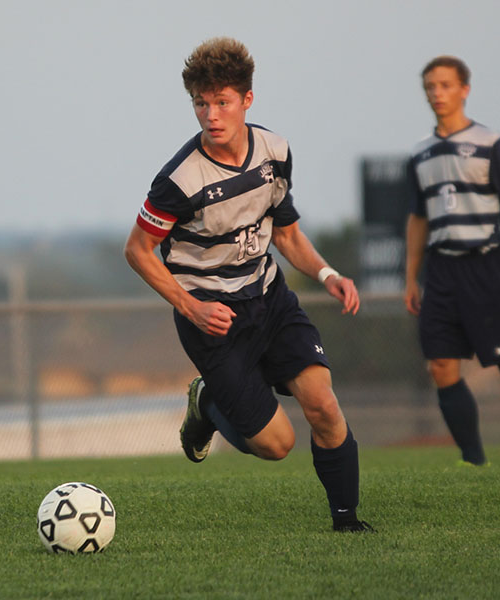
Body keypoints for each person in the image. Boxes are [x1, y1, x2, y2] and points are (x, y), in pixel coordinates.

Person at [124, 37, 373, 531]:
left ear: (247, 100)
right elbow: (136, 250)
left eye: (222, 101)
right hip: (213, 322)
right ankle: (208, 403)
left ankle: (346, 522)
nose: (211, 115)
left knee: (323, 403)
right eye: (201, 102)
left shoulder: (274, 152)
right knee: (277, 445)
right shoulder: (178, 181)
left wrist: (326, 274)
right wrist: (190, 306)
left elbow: (286, 234)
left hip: (271, 301)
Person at [403, 55, 500, 466]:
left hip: (485, 265)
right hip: (442, 270)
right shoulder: (420, 153)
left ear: (464, 90)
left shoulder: (491, 143)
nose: (437, 93)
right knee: (441, 366)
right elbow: (418, 218)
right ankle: (473, 461)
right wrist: (410, 276)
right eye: (431, 86)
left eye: (446, 85)